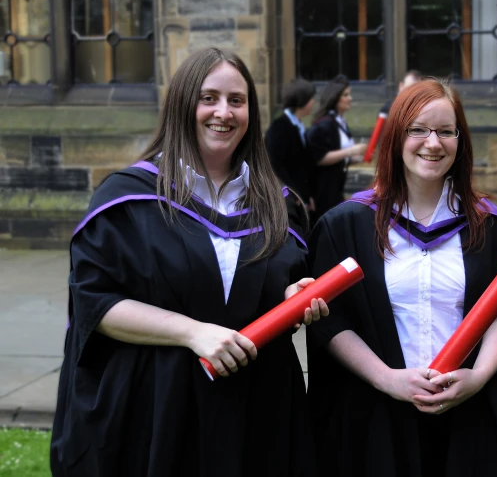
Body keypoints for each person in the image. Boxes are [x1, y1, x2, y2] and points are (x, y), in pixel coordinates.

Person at [50, 48, 328, 477]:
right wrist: (192, 332)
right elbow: (95, 303)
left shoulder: (278, 204)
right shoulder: (129, 198)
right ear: (182, 104)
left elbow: (276, 291)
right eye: (209, 98)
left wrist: (293, 299)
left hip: (256, 403)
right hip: (156, 403)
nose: (224, 112)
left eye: (237, 100)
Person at [306, 79, 497, 477]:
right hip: (376, 416)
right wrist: (387, 378)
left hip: (470, 417)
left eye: (446, 131)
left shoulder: (491, 228)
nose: (433, 142)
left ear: (460, 141)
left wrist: (477, 377)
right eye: (418, 130)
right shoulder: (346, 226)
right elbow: (331, 321)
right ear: (396, 136)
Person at [306, 77, 367, 220]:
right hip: (323, 190)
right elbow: (318, 158)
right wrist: (350, 152)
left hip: (336, 188)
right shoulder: (324, 124)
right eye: (345, 95)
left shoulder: (340, 122)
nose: (350, 99)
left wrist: (358, 158)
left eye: (349, 94)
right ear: (334, 98)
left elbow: (339, 157)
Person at [265, 78, 317, 209]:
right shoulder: (280, 127)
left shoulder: (298, 125)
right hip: (288, 200)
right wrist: (294, 194)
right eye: (311, 99)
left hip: (300, 197)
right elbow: (275, 165)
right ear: (303, 101)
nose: (313, 102)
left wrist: (306, 195)